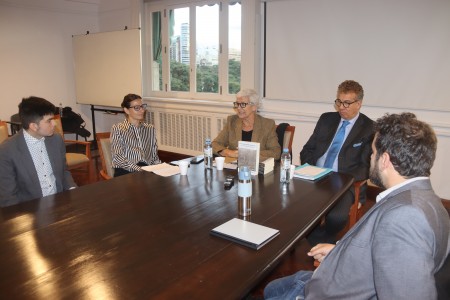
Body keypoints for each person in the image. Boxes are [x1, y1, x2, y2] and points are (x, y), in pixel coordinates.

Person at [264, 112, 450, 299]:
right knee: (271, 288)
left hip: (328, 292)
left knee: (271, 293)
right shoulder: (427, 201)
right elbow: (387, 255)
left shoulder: (405, 217)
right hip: (338, 272)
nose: (370, 157)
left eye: (373, 152)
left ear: (384, 160)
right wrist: (339, 252)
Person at [300, 80, 374, 245]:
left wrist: (338, 177)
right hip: (315, 176)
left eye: (347, 103)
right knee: (293, 206)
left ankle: (321, 237)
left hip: (343, 182)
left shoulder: (369, 128)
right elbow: (307, 150)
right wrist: (310, 169)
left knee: (337, 216)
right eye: (339, 101)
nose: (341, 107)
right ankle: (312, 237)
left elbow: (365, 167)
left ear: (359, 104)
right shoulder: (327, 119)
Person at [0, 96, 77, 207]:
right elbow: (8, 196)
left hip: (59, 203)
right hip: (29, 211)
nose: (54, 124)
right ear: (34, 126)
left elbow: (63, 171)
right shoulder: (7, 150)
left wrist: (73, 190)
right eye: (49, 121)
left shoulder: (56, 139)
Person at [212, 89, 281, 160]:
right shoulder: (232, 121)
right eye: (237, 104)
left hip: (257, 168)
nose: (238, 108)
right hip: (233, 168)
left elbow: (275, 152)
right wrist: (229, 153)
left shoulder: (267, 124)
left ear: (254, 107)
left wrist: (251, 153)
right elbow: (215, 144)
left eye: (242, 104)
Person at [111, 93, 161, 177]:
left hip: (146, 169)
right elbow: (118, 158)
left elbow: (153, 155)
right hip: (125, 171)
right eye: (136, 108)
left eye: (142, 106)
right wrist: (140, 169)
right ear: (126, 110)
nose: (142, 110)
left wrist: (160, 167)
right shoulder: (118, 129)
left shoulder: (150, 128)